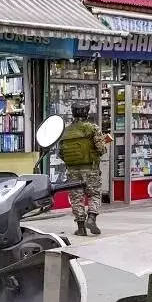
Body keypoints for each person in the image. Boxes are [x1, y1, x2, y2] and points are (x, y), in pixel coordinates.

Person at [57, 101, 107, 236]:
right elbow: (101, 149)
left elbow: (60, 153)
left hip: (73, 170)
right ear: (87, 112)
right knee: (94, 194)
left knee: (76, 198)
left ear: (72, 112)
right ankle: (91, 218)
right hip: (90, 169)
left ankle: (81, 228)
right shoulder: (93, 128)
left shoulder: (66, 131)